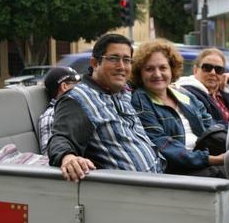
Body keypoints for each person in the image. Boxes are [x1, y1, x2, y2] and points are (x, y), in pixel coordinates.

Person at [47, 33, 166, 182]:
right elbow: (60, 138)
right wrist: (67, 157)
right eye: (113, 59)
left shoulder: (122, 91)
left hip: (160, 178)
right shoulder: (78, 98)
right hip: (128, 192)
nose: (122, 66)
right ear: (95, 63)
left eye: (127, 60)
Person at [130, 38, 226, 178]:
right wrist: (212, 159)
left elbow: (211, 128)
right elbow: (161, 145)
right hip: (179, 172)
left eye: (163, 68)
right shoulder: (140, 101)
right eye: (149, 69)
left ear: (172, 69)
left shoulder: (186, 96)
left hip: (207, 160)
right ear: (140, 73)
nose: (157, 74)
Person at [174, 48, 229, 124]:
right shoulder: (189, 94)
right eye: (207, 67)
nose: (213, 73)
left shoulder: (227, 92)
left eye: (219, 69)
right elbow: (209, 124)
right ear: (196, 70)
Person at [38, 66, 81, 155]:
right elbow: (49, 155)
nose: (81, 88)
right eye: (77, 84)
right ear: (64, 86)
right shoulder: (51, 116)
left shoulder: (79, 109)